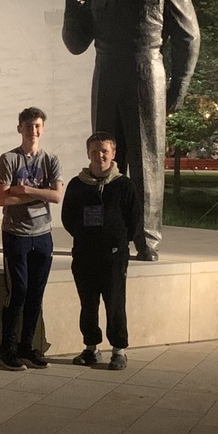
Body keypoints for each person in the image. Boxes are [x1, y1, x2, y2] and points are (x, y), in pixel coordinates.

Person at [62, 0, 199, 262]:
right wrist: (72, 11)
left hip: (144, 72)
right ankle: (109, 231)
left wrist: (179, 84)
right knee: (104, 156)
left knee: (145, 159)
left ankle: (146, 239)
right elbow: (77, 44)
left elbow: (189, 37)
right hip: (105, 72)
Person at [61, 132, 142, 371]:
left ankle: (119, 350)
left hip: (113, 255)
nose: (100, 156)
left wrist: (116, 240)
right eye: (95, 151)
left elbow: (134, 220)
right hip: (85, 254)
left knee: (115, 303)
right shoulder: (78, 185)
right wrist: (85, 237)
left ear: (113, 154)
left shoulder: (124, 185)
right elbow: (68, 218)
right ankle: (91, 348)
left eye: (105, 151)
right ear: (88, 154)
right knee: (88, 304)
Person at [0, 107, 63, 372]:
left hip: (43, 234)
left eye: (37, 126)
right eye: (27, 126)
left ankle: (27, 346)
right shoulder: (9, 159)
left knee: (36, 293)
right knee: (18, 291)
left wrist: (25, 190)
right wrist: (42, 193)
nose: (32, 131)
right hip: (17, 234)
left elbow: (57, 197)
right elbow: (3, 198)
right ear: (19, 128)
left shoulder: (50, 159)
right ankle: (8, 348)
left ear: (42, 128)